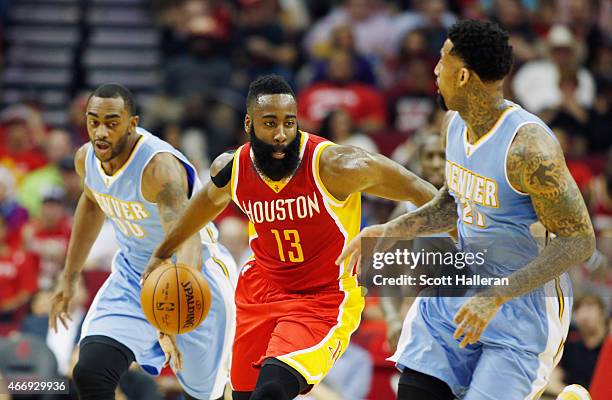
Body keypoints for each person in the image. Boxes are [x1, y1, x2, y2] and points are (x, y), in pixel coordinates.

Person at [338, 20, 596, 400]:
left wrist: (495, 296)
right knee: (414, 389)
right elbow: (454, 201)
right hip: (463, 279)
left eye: (442, 59)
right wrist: (392, 230)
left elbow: (579, 240)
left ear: (462, 75)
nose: (435, 69)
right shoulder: (451, 124)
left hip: (523, 303)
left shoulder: (528, 147)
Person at [144, 74, 439, 400]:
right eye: (269, 123)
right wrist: (162, 252)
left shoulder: (336, 166)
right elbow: (200, 209)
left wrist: (465, 232)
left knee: (271, 390)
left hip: (321, 299)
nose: (282, 134)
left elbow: (422, 191)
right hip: (260, 292)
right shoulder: (233, 170)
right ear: (249, 123)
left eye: (289, 122)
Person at [49, 84, 237, 400]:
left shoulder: (158, 169)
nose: (101, 131)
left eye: (112, 122)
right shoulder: (86, 159)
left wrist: (174, 314)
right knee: (90, 372)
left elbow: (186, 236)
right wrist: (69, 277)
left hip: (193, 276)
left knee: (204, 396)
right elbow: (93, 203)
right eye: (93, 121)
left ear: (133, 123)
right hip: (133, 274)